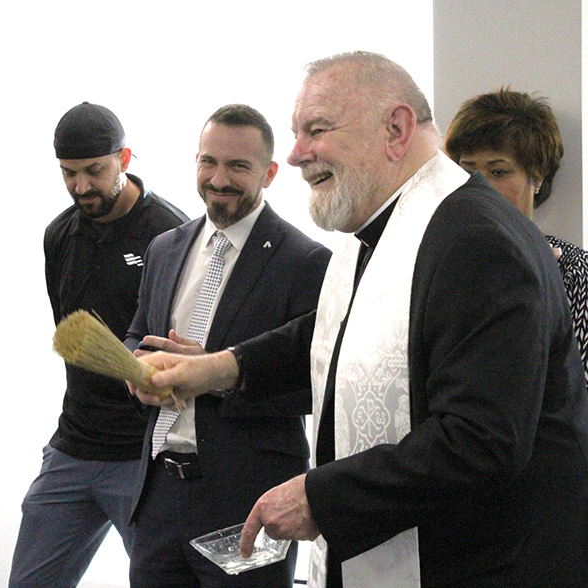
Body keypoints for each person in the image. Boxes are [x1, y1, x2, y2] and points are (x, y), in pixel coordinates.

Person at [132, 52, 588, 588]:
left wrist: (318, 496)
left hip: (485, 563)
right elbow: (337, 333)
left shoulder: (478, 240)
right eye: (296, 133)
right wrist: (216, 368)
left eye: (316, 130)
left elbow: (480, 439)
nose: (296, 154)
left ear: (396, 129)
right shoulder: (381, 225)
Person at [124, 104, 331, 587]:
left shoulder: (306, 261)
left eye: (238, 166)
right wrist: (136, 369)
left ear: (270, 173)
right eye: (209, 162)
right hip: (157, 496)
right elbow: (137, 332)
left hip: (248, 502)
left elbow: (316, 383)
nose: (219, 180)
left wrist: (217, 374)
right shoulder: (164, 248)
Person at [8, 102, 188, 588]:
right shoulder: (59, 235)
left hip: (144, 454)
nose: (81, 186)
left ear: (124, 158)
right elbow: (69, 333)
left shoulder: (171, 234)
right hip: (74, 445)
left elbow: (188, 343)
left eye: (94, 171)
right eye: (68, 173)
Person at [444, 88, 588, 381]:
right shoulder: (439, 266)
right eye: (468, 170)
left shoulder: (573, 271)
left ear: (537, 176)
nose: (479, 185)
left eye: (498, 172)